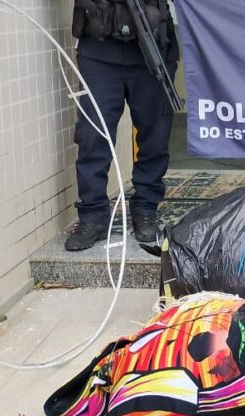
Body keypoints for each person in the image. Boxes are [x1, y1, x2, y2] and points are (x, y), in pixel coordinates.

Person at [65, 1, 178, 251]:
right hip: (99, 48)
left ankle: (145, 208)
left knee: (155, 136)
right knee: (92, 136)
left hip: (153, 44)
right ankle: (93, 216)